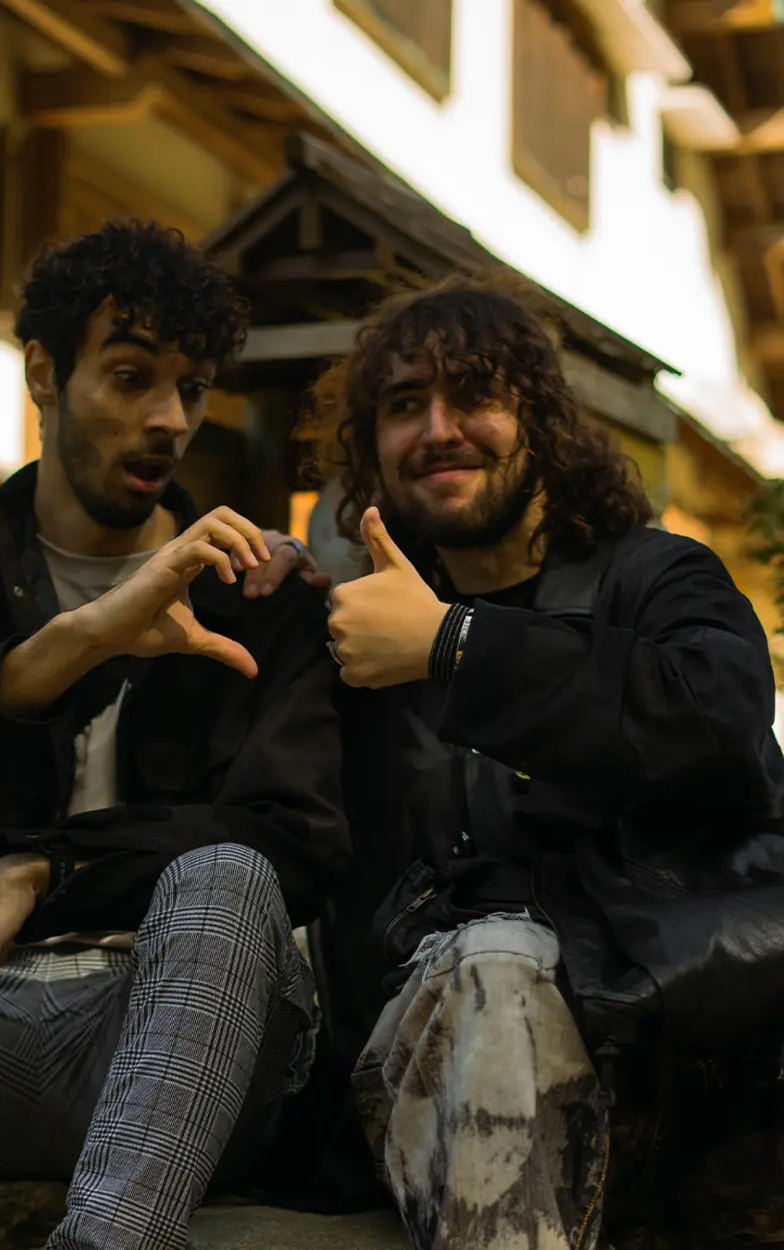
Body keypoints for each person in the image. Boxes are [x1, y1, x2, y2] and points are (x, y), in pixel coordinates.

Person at [0, 220, 348, 1250]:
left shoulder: (255, 592)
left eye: (189, 387)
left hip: (199, 1030)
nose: (168, 419)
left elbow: (292, 837)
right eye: (130, 377)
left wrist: (37, 866)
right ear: (43, 373)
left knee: (226, 875)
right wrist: (79, 639)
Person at [270, 275, 784, 1249]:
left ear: (539, 419)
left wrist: (455, 648)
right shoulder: (344, 631)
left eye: (473, 395)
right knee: (495, 961)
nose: (438, 427)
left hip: (659, 1048)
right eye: (403, 405)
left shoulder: (652, 575)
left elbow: (720, 719)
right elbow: (262, 829)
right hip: (436, 1045)